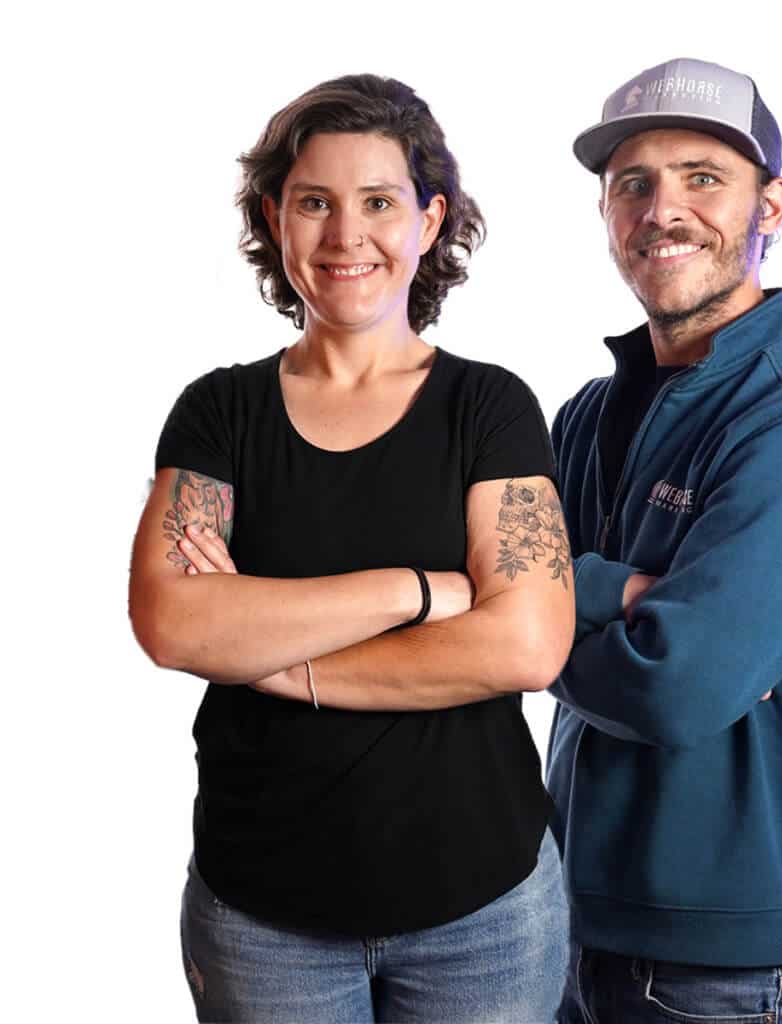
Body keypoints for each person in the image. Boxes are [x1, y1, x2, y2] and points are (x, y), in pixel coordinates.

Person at [128, 73, 574, 1024]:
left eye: (379, 202)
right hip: (263, 918)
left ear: (429, 219)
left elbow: (528, 648)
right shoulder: (220, 412)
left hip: (483, 913)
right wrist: (415, 590)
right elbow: (173, 621)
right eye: (314, 203)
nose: (346, 237)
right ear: (274, 217)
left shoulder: (489, 408)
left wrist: (276, 657)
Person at [547, 57, 782, 1023]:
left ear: (771, 204)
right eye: (633, 184)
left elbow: (678, 686)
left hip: (719, 967)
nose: (664, 209)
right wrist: (625, 592)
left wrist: (547, 602)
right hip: (558, 919)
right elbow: (485, 607)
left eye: (703, 177)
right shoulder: (584, 417)